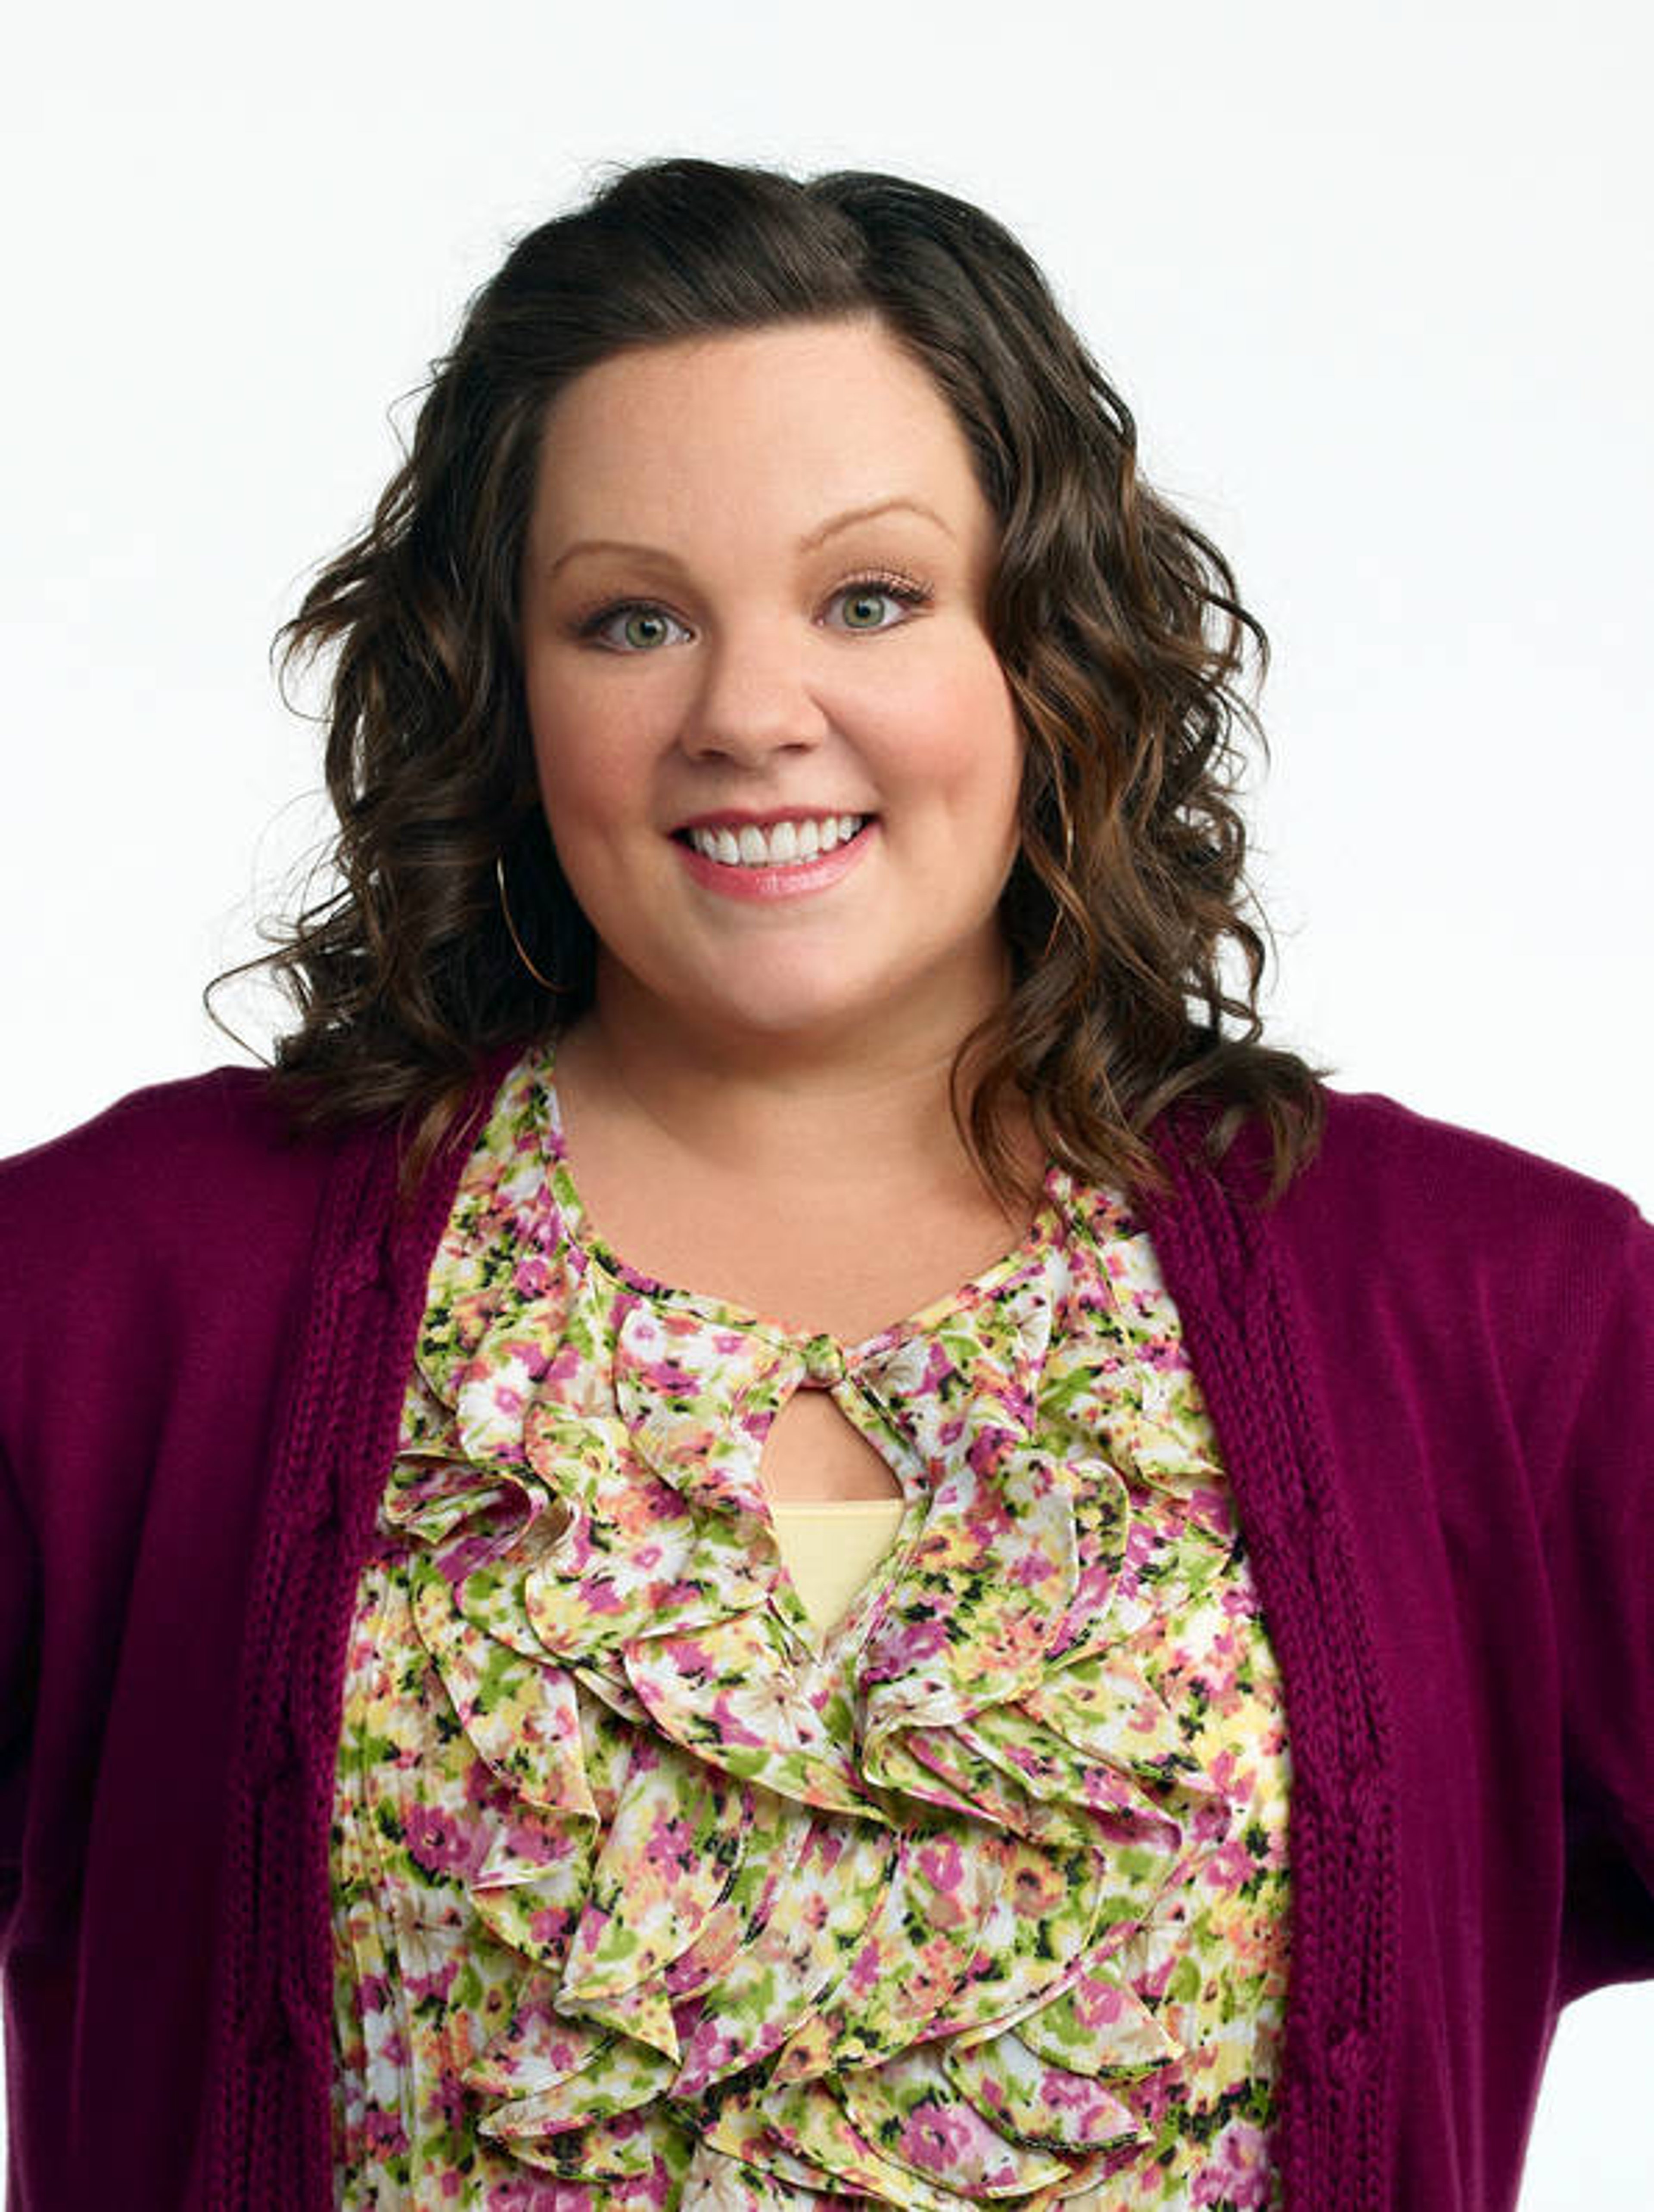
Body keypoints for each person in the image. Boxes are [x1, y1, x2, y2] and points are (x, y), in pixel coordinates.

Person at [0, 155, 1647, 2212]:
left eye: (870, 598)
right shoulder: (109, 1301)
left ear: (1045, 641)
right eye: (633, 620)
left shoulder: (1503, 1314)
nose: (750, 717)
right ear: (506, 689)